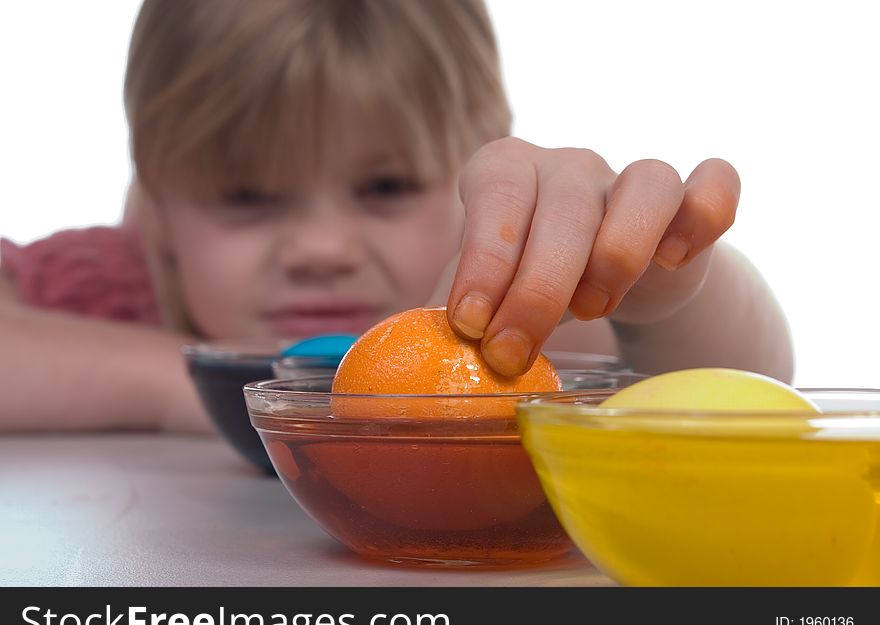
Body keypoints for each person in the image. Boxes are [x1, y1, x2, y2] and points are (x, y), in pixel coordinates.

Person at [0, 0, 793, 434]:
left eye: (385, 187)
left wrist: (671, 289)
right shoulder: (104, 284)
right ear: (159, 210)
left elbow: (749, 384)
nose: (321, 248)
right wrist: (202, 386)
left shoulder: (518, 320)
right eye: (245, 196)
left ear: (476, 176)